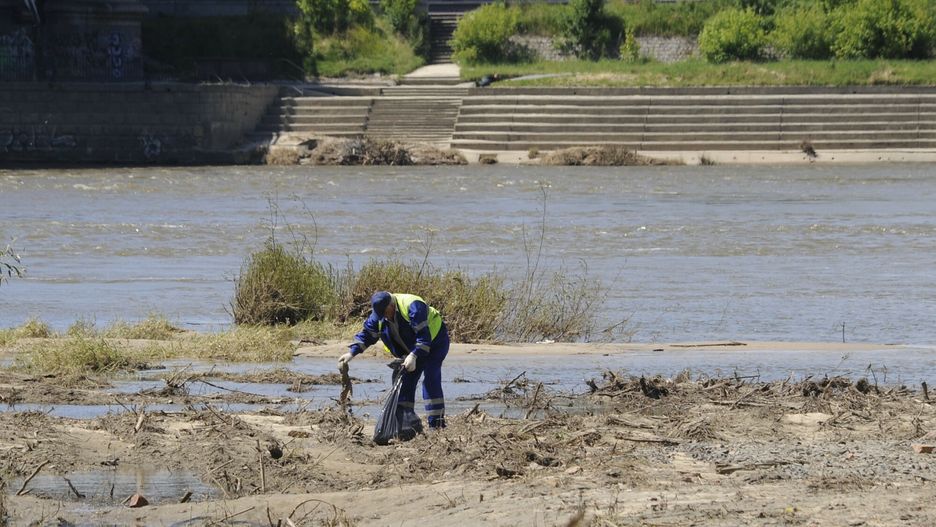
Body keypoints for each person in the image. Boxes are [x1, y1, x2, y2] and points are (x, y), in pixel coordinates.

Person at [338, 291, 449, 429]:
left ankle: (436, 425)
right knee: (405, 382)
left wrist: (414, 356)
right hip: (411, 349)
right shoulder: (379, 315)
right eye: (381, 314)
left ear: (392, 305)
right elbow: (368, 335)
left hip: (435, 343)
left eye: (386, 313)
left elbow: (423, 338)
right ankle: (406, 425)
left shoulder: (413, 306)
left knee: (431, 380)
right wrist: (352, 353)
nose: (385, 317)